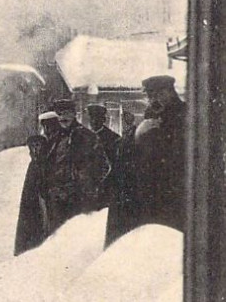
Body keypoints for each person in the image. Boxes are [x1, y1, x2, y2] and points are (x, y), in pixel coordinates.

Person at [105, 76, 185, 246]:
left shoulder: (183, 117)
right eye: (150, 96)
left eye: (159, 94)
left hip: (171, 195)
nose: (153, 100)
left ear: (170, 92)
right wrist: (138, 133)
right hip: (148, 193)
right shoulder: (150, 117)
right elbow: (123, 150)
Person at [43, 99, 110, 233]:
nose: (63, 117)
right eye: (60, 114)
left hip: (80, 199)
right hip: (57, 199)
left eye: (67, 113)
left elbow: (103, 166)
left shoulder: (88, 136)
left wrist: (86, 185)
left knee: (79, 236)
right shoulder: (53, 139)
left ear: (74, 114)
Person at [86, 103, 121, 208]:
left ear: (103, 120)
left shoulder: (113, 138)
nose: (93, 122)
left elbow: (116, 164)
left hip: (107, 184)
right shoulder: (85, 137)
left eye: (97, 119)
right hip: (89, 184)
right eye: (92, 119)